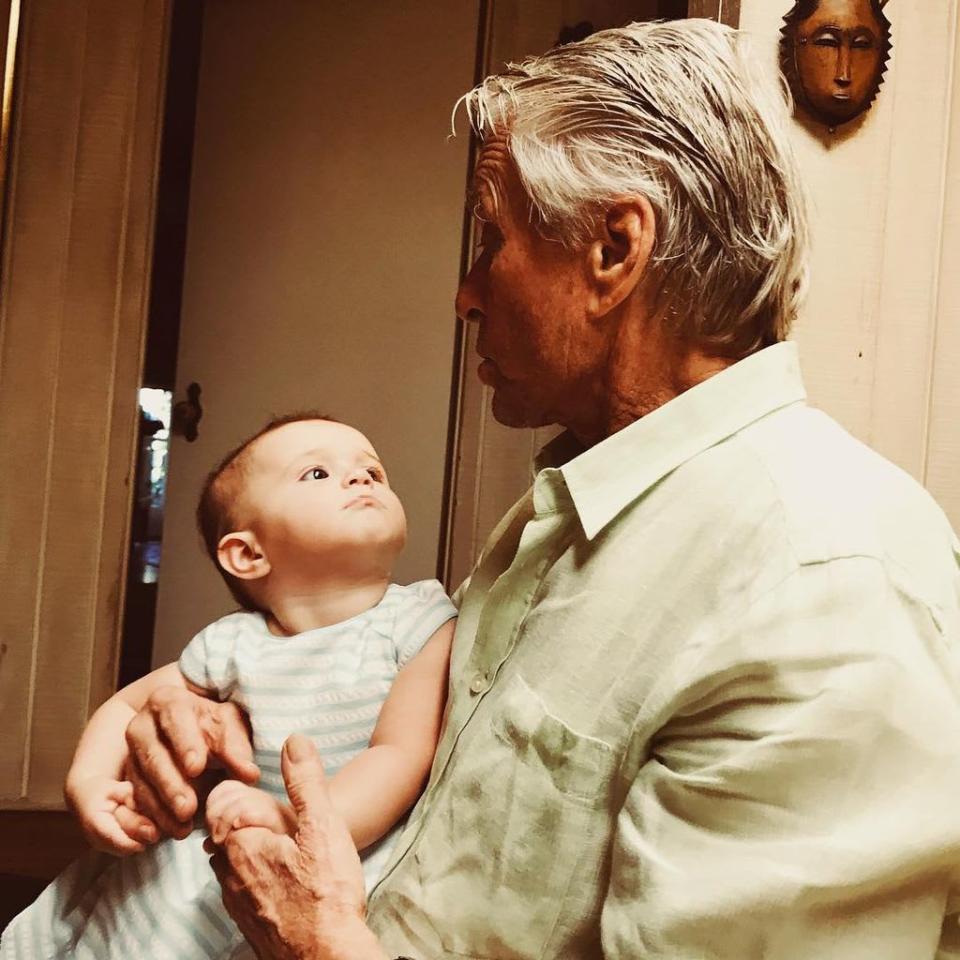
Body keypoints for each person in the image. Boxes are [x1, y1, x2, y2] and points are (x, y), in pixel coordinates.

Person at [123, 18, 960, 960]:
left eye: (492, 240)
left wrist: (314, 941)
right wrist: (203, 714)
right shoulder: (580, 502)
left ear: (613, 249)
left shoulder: (821, 581)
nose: (466, 292)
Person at [0, 414, 457, 959]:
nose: (361, 479)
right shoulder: (232, 644)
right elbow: (127, 705)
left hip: (339, 858)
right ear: (248, 554)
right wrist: (91, 782)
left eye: (373, 471)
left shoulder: (420, 620)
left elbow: (399, 753)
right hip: (220, 848)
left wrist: (293, 821)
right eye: (317, 473)